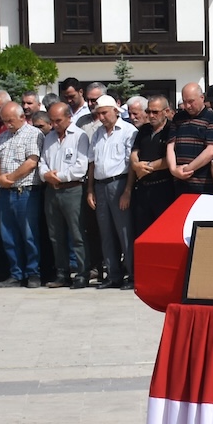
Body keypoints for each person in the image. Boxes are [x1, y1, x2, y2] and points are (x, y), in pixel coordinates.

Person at [0, 99, 43, 288]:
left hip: (25, 191)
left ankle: (33, 273)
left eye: (11, 120)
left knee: (29, 234)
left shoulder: (33, 134)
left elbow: (31, 162)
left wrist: (9, 178)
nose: (7, 124)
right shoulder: (3, 136)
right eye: (4, 121)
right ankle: (16, 273)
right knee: (8, 235)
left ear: (22, 117)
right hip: (5, 192)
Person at [39, 100, 92, 288]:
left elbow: (80, 167)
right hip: (52, 191)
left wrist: (58, 176)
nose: (54, 125)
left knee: (77, 233)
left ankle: (82, 272)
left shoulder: (80, 137)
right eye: (51, 121)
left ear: (69, 117)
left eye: (58, 120)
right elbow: (42, 162)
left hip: (72, 190)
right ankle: (62, 272)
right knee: (56, 234)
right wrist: (46, 175)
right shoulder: (50, 137)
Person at [86, 95, 135, 289]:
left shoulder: (128, 131)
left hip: (119, 183)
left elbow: (132, 164)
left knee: (124, 232)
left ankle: (132, 275)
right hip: (100, 184)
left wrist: (128, 191)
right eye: (98, 114)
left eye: (104, 113)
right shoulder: (97, 133)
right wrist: (90, 189)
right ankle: (113, 275)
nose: (102, 117)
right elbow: (92, 162)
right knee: (105, 233)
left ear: (116, 110)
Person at [167, 83, 213, 201]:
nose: (187, 106)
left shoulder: (212, 117)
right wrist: (173, 169)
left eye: (191, 101)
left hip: (203, 184)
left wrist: (186, 170)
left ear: (202, 98)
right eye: (184, 101)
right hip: (179, 184)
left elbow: (211, 150)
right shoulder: (178, 117)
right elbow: (170, 145)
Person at [128, 94, 176, 236]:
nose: (151, 115)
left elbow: (171, 158)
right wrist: (136, 165)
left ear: (166, 111)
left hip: (163, 188)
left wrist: (148, 167)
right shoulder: (144, 129)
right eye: (148, 111)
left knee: (163, 231)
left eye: (155, 112)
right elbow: (134, 152)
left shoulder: (171, 129)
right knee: (142, 231)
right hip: (143, 189)